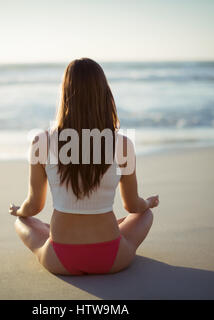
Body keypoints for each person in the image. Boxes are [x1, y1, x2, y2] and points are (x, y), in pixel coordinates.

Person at [9, 58, 159, 275]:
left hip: (60, 259)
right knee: (145, 215)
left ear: (64, 94)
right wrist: (147, 203)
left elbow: (34, 206)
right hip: (112, 257)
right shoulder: (123, 145)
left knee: (23, 221)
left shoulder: (42, 142)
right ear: (104, 94)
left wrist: (19, 211)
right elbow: (133, 206)